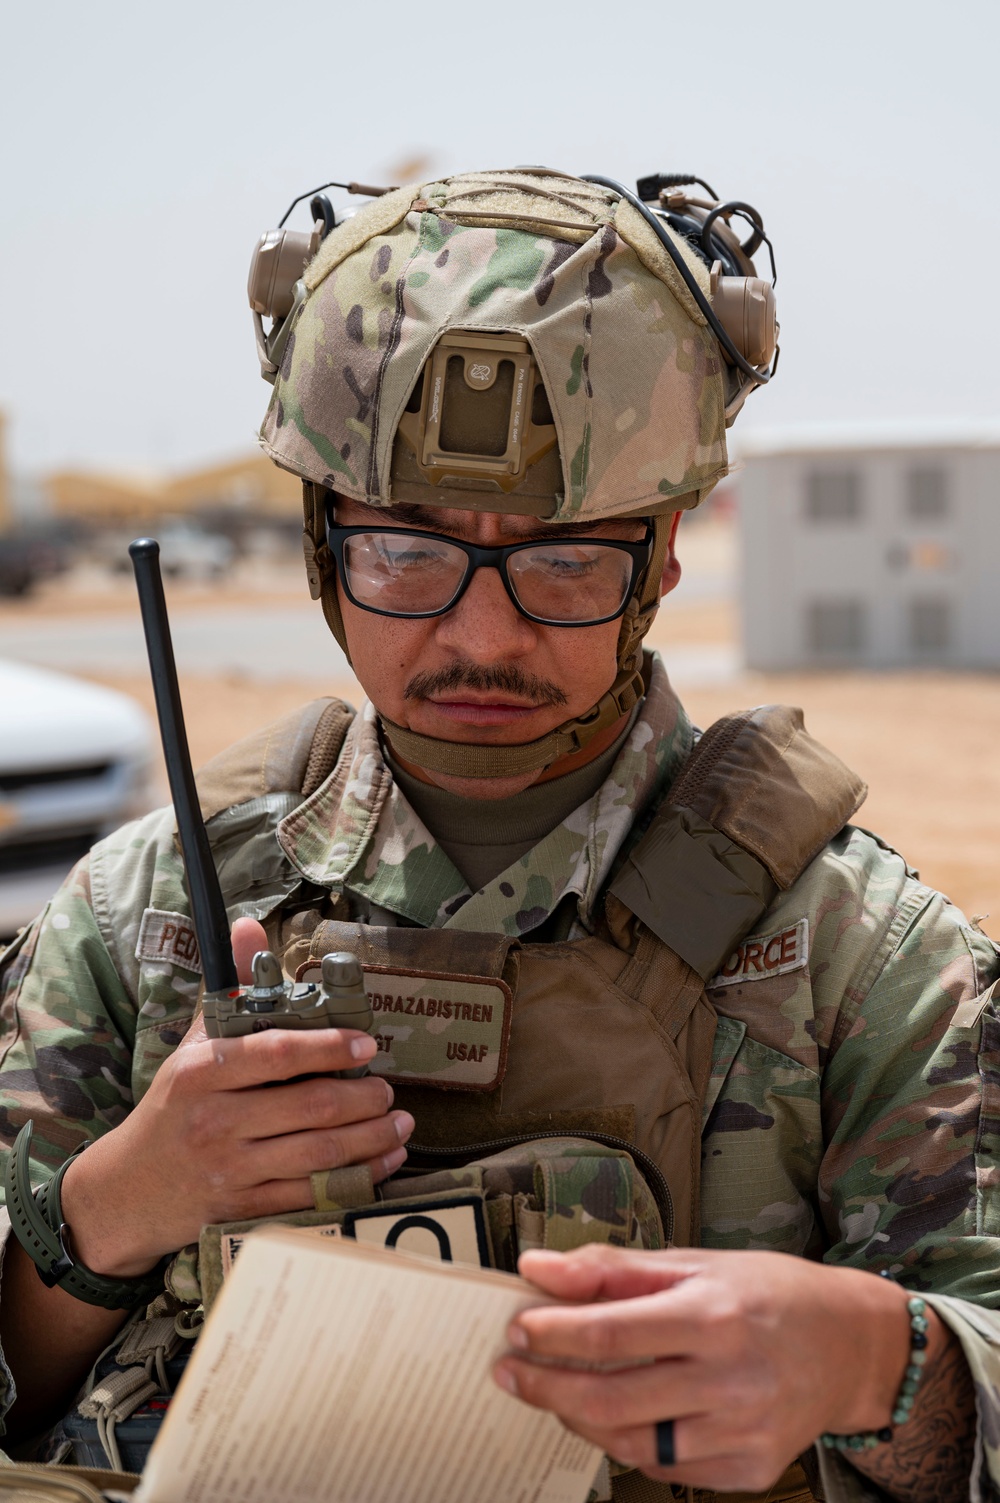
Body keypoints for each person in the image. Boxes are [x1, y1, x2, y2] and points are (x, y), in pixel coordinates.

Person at [0, 168, 998, 1503]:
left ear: (665, 552)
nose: (484, 635)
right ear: (321, 544)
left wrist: (872, 1363)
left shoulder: (852, 953)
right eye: (406, 553)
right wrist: (115, 1207)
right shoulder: (150, 914)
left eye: (566, 560)